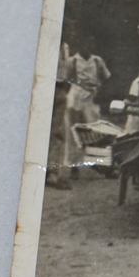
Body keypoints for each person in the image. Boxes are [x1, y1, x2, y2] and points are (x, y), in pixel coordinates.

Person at [65, 40, 111, 177]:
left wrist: (99, 90)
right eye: (84, 44)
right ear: (79, 46)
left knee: (94, 132)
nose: (87, 47)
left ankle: (100, 165)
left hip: (91, 100)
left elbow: (106, 78)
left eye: (90, 44)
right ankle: (74, 166)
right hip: (75, 99)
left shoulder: (97, 61)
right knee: (73, 133)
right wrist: (82, 84)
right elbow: (69, 79)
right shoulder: (72, 61)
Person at [45, 43, 74, 189]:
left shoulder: (65, 48)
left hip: (60, 90)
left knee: (57, 132)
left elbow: (68, 72)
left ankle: (52, 172)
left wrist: (64, 89)